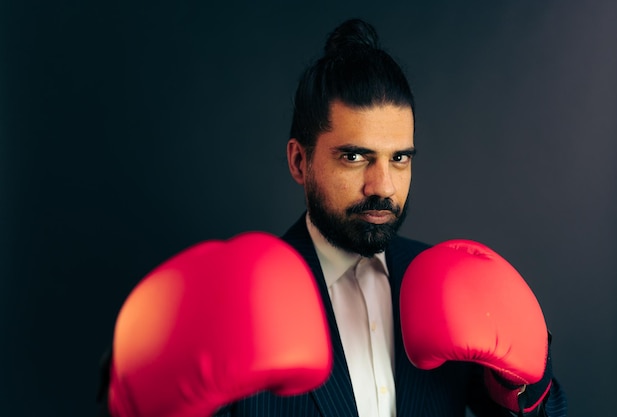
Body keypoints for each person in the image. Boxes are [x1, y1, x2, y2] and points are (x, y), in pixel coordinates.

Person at [98, 18, 567, 417]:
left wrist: (519, 383)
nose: (382, 185)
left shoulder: (447, 288)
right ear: (299, 162)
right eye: (355, 157)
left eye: (400, 158)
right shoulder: (243, 297)